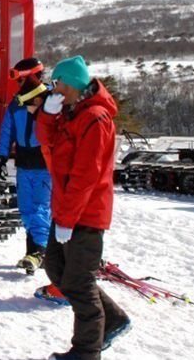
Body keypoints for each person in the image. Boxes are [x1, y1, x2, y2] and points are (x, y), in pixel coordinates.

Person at [36, 56, 130, 360]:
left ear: (71, 85)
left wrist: (67, 219)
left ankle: (86, 352)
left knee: (79, 282)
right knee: (56, 267)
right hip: (66, 211)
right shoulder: (70, 113)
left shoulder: (96, 118)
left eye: (57, 84)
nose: (54, 89)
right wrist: (47, 116)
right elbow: (46, 144)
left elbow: (86, 174)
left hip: (85, 214)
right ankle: (113, 320)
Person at [0, 58, 52, 275]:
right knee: (26, 208)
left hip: (44, 164)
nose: (18, 86)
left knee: (40, 207)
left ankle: (39, 252)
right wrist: (1, 156)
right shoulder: (16, 103)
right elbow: (7, 130)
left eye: (21, 80)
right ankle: (35, 251)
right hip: (24, 163)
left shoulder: (51, 100)